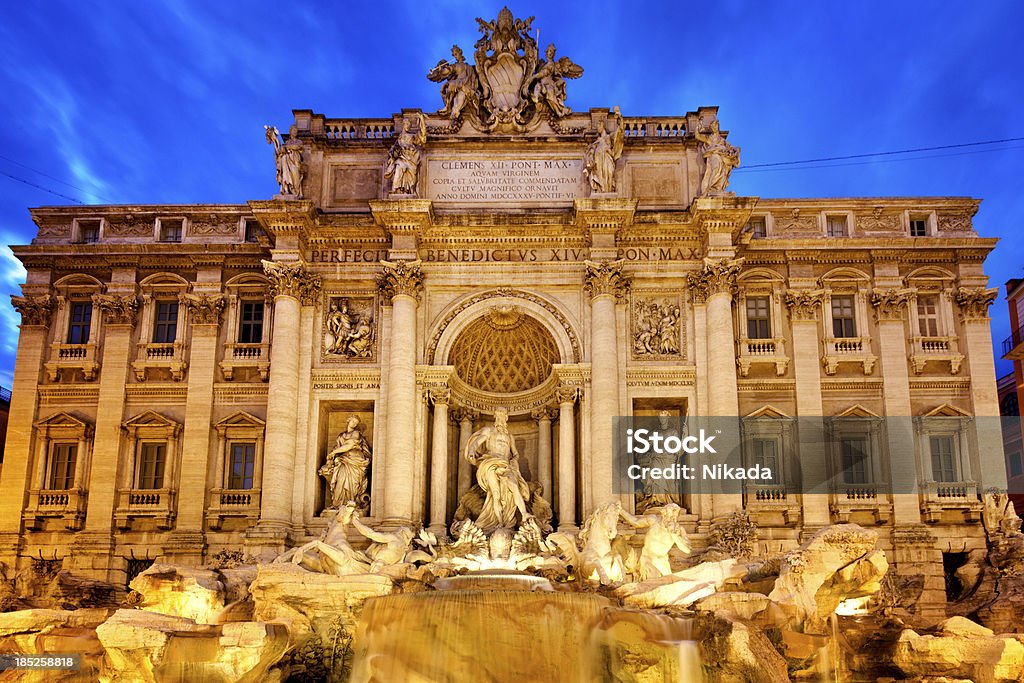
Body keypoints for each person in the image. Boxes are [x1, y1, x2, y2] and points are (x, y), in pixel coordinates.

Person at [463, 408, 532, 530]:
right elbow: (477, 442)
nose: (501, 418)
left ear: (506, 418)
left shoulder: (510, 437)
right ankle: (500, 522)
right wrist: (472, 451)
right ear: (495, 417)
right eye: (499, 415)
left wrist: (514, 460)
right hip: (491, 463)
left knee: (514, 485)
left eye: (503, 416)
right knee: (496, 493)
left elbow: (515, 453)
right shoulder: (489, 431)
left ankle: (524, 514)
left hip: (505, 465)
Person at [620, 502, 691, 581]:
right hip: (648, 558)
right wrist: (621, 511)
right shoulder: (653, 520)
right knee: (654, 581)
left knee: (670, 586)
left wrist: (674, 536)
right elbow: (636, 522)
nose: (672, 519)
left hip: (663, 561)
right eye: (670, 516)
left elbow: (687, 550)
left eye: (675, 517)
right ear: (664, 514)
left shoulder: (679, 529)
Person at [320, 415, 372, 510]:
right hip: (343, 460)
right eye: (353, 422)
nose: (354, 424)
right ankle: (339, 504)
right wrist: (330, 459)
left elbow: (350, 445)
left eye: (356, 423)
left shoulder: (356, 433)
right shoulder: (341, 436)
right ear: (348, 421)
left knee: (352, 483)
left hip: (355, 461)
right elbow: (337, 448)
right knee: (340, 481)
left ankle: (351, 502)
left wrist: (334, 452)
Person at [695, 118, 740, 195]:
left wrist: (736, 150)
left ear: (718, 127)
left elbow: (730, 149)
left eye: (715, 126)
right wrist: (697, 127)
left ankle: (717, 188)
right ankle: (712, 187)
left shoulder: (722, 140)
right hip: (714, 155)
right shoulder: (710, 138)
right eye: (712, 126)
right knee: (715, 168)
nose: (714, 127)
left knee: (722, 172)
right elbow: (698, 136)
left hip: (722, 158)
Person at [385, 112, 427, 195]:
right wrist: (394, 152)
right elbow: (392, 151)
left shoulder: (412, 136)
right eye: (406, 124)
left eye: (409, 124)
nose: (408, 126)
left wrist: (422, 120)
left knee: (410, 177)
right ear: (403, 125)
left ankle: (408, 190)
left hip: (411, 159)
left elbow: (422, 137)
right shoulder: (399, 138)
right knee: (399, 169)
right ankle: (398, 189)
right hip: (401, 158)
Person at [584, 107, 624, 193]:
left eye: (599, 125)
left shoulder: (608, 137)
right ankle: (602, 189)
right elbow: (590, 154)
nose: (597, 127)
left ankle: (606, 189)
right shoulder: (595, 143)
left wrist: (619, 119)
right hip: (598, 162)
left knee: (609, 174)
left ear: (603, 126)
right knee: (600, 176)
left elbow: (619, 133)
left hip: (607, 160)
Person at [264, 125, 303, 196]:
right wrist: (274, 139)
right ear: (290, 132)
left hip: (295, 161)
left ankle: (295, 190)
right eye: (293, 130)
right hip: (287, 161)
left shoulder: (299, 141)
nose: (295, 132)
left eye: (296, 131)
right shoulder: (287, 142)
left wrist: (287, 147)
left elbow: (298, 146)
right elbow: (280, 150)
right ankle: (287, 189)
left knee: (295, 176)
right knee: (285, 163)